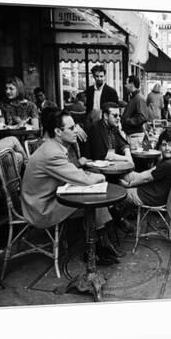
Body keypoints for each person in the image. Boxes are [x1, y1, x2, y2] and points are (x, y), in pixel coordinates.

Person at [21, 110, 117, 265]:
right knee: (94, 197)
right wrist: (101, 177)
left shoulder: (53, 147)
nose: (76, 131)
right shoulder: (53, 153)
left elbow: (73, 172)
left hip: (48, 197)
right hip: (41, 208)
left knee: (93, 196)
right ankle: (98, 245)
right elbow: (83, 179)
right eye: (71, 128)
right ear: (58, 131)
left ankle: (100, 243)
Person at [119, 129, 171, 207]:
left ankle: (119, 216)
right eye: (164, 145)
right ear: (160, 146)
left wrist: (129, 184)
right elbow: (151, 171)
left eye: (170, 145)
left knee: (119, 194)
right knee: (126, 176)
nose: (167, 148)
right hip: (154, 192)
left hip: (151, 197)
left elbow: (146, 179)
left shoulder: (168, 164)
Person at [121, 75, 149, 149]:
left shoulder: (139, 98)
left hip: (135, 137)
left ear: (132, 84)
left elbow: (143, 117)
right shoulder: (135, 97)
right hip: (133, 136)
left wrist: (127, 121)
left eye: (126, 83)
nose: (125, 86)